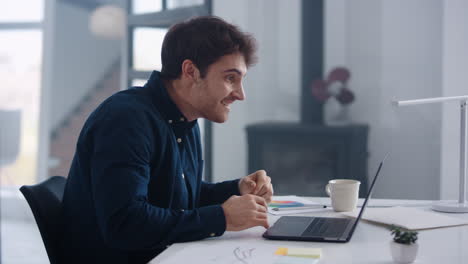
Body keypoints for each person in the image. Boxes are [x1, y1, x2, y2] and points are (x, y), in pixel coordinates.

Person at [61, 16, 273, 263]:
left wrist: (236, 189)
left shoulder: (185, 120)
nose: (240, 94)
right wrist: (221, 218)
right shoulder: (125, 119)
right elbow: (125, 223)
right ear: (190, 71)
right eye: (230, 78)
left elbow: (175, 196)